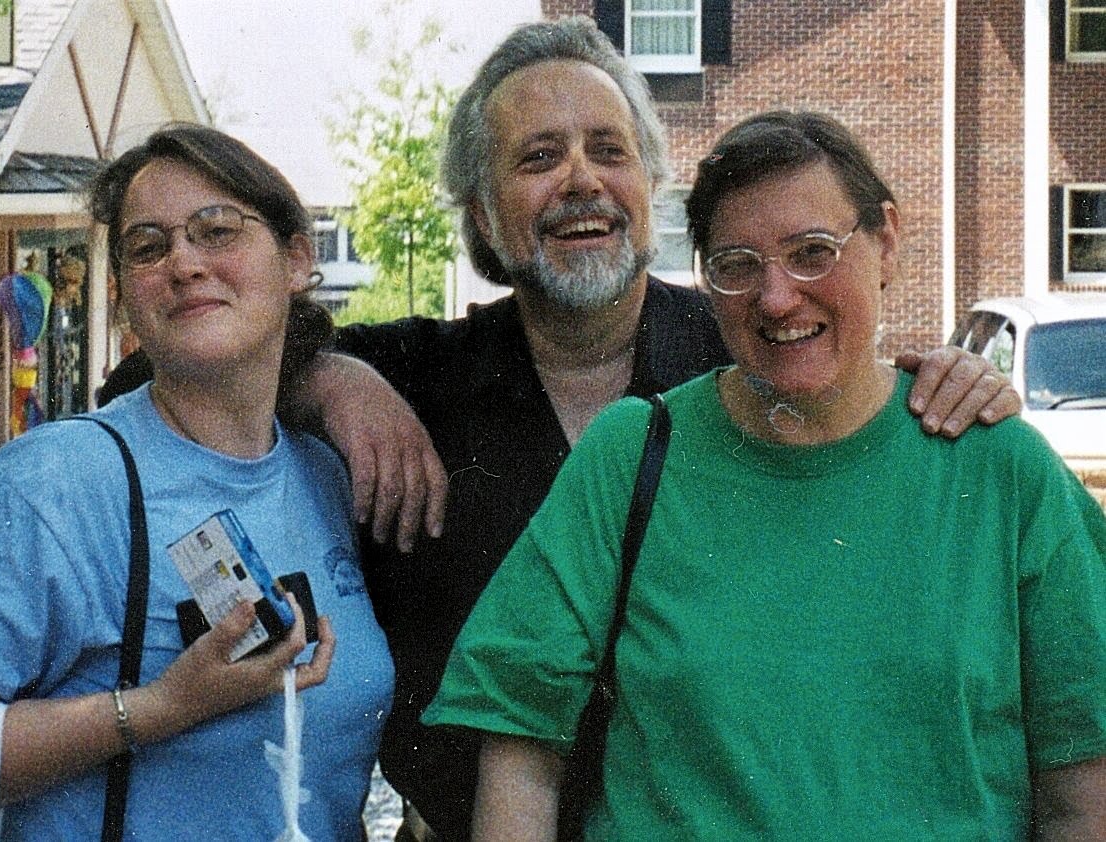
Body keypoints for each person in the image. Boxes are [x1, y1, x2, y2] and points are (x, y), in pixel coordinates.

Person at [99, 18, 1021, 841]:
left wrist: (954, 383)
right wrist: (324, 378)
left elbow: (859, 398)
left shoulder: (745, 353)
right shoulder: (417, 379)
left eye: (608, 150)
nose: (582, 180)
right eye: (539, 157)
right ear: (483, 214)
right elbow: (143, 380)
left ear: (649, 185)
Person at [422, 110, 1106, 840]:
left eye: (813, 252)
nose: (777, 297)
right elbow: (520, 748)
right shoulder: (634, 453)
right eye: (737, 265)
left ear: (887, 242)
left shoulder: (1000, 469)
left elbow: (1083, 792)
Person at [0, 125, 393, 840]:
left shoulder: (327, 477)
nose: (184, 263)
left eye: (216, 231)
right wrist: (162, 707)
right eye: (148, 247)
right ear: (125, 296)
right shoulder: (58, 480)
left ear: (296, 259)